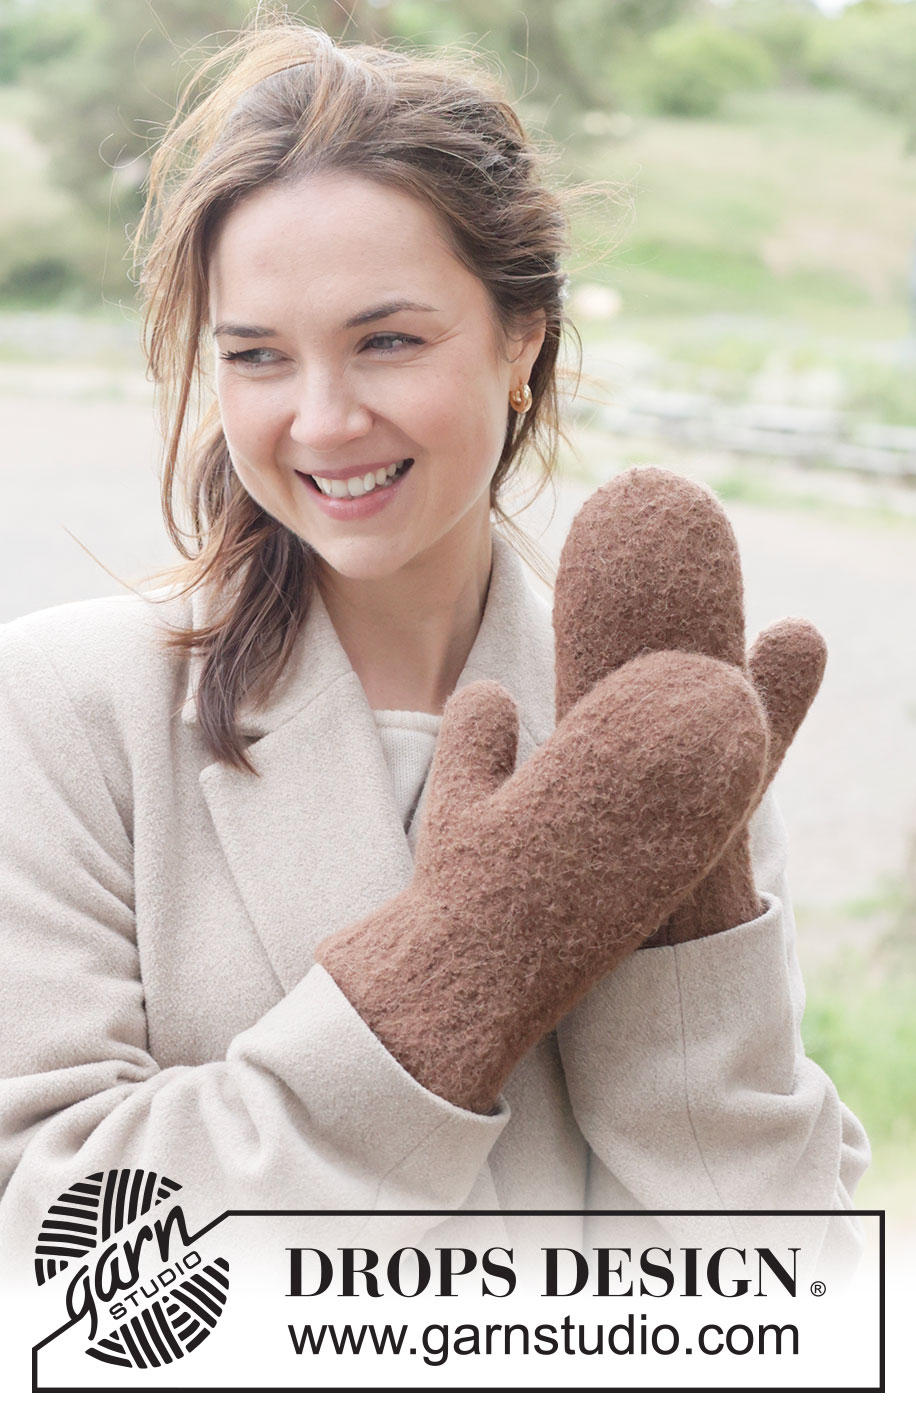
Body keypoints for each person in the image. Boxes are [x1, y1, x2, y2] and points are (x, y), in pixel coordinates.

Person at [0, 18, 867, 1288]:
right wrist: (471, 949)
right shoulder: (68, 709)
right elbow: (51, 1243)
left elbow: (786, 1269)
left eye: (387, 340)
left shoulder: (654, 708)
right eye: (255, 356)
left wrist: (686, 926)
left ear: (521, 342)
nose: (321, 418)